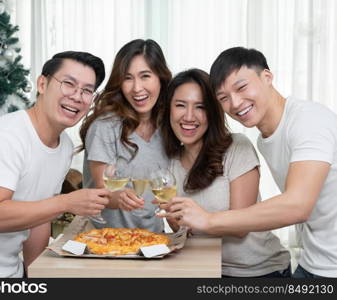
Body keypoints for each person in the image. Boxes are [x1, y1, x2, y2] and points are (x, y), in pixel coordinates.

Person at [0, 51, 110, 277]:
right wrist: (65, 202)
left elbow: (39, 220)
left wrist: (37, 276)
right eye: (68, 84)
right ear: (42, 84)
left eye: (87, 90)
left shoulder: (64, 146)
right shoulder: (6, 135)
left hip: (11, 272)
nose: (77, 96)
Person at [167, 46, 337, 278]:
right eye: (224, 98)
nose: (235, 103)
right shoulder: (265, 137)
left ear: (267, 77)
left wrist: (208, 220)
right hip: (314, 262)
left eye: (242, 87)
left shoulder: (308, 120)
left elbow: (298, 205)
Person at [159, 68, 290, 277]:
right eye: (180, 105)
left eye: (200, 107)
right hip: (205, 270)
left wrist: (199, 217)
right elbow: (187, 232)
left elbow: (240, 226)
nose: (189, 116)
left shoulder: (237, 147)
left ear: (212, 112)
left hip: (257, 272)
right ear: (169, 111)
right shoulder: (169, 164)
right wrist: (178, 223)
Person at [79, 39, 171, 232]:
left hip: (152, 242)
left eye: (145, 76)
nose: (137, 88)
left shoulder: (169, 126)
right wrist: (118, 196)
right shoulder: (105, 127)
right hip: (106, 242)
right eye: (128, 78)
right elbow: (102, 191)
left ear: (160, 77)